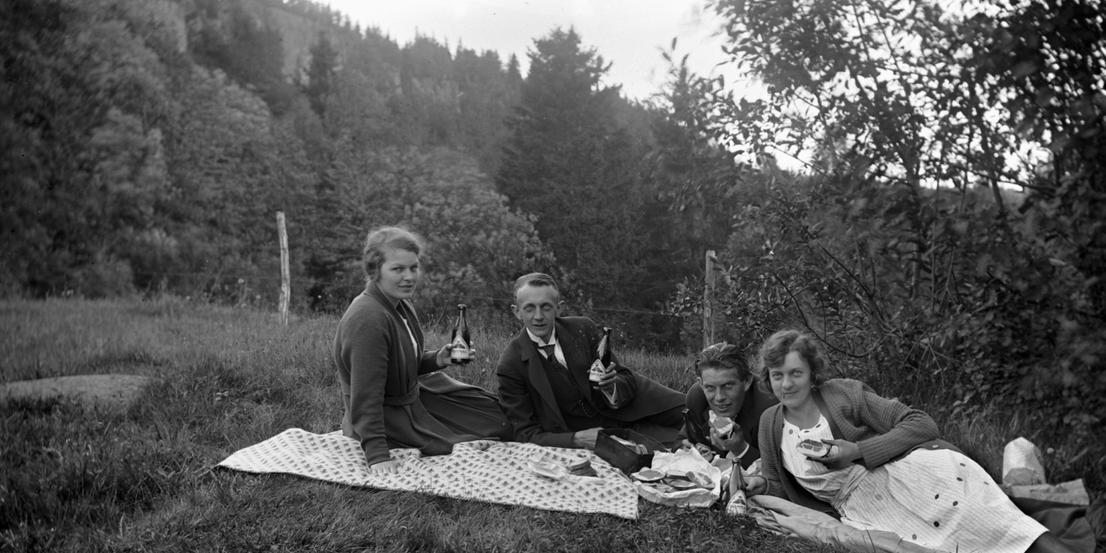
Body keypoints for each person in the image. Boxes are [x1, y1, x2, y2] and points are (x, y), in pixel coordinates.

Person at [747, 328, 1106, 553]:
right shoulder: (770, 424)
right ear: (768, 379)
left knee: (991, 520)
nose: (787, 384)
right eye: (777, 376)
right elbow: (778, 485)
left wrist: (858, 451)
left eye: (796, 373)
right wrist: (757, 484)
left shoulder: (842, 394)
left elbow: (921, 423)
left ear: (812, 373)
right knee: (949, 550)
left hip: (902, 474)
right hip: (862, 509)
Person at [333, 226, 511, 474]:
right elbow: (365, 397)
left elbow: (401, 366)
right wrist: (377, 455)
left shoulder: (401, 304)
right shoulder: (368, 320)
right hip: (388, 416)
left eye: (413, 267)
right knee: (490, 433)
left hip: (416, 396)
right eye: (398, 269)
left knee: (501, 415)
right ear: (374, 271)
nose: (409, 277)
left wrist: (438, 359)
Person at [496, 273, 686, 449]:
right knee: (680, 449)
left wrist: (611, 387)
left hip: (632, 407)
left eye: (546, 307)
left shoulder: (581, 329)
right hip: (602, 437)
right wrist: (575, 439)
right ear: (517, 311)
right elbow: (524, 434)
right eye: (529, 308)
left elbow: (625, 377)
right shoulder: (511, 364)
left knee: (695, 414)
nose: (538, 316)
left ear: (559, 308)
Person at [679, 342, 778, 469]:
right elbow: (680, 440)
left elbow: (779, 470)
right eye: (710, 387)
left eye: (727, 386)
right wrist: (688, 450)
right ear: (701, 384)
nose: (719, 397)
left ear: (747, 381)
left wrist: (741, 449)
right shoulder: (697, 399)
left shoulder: (769, 408)